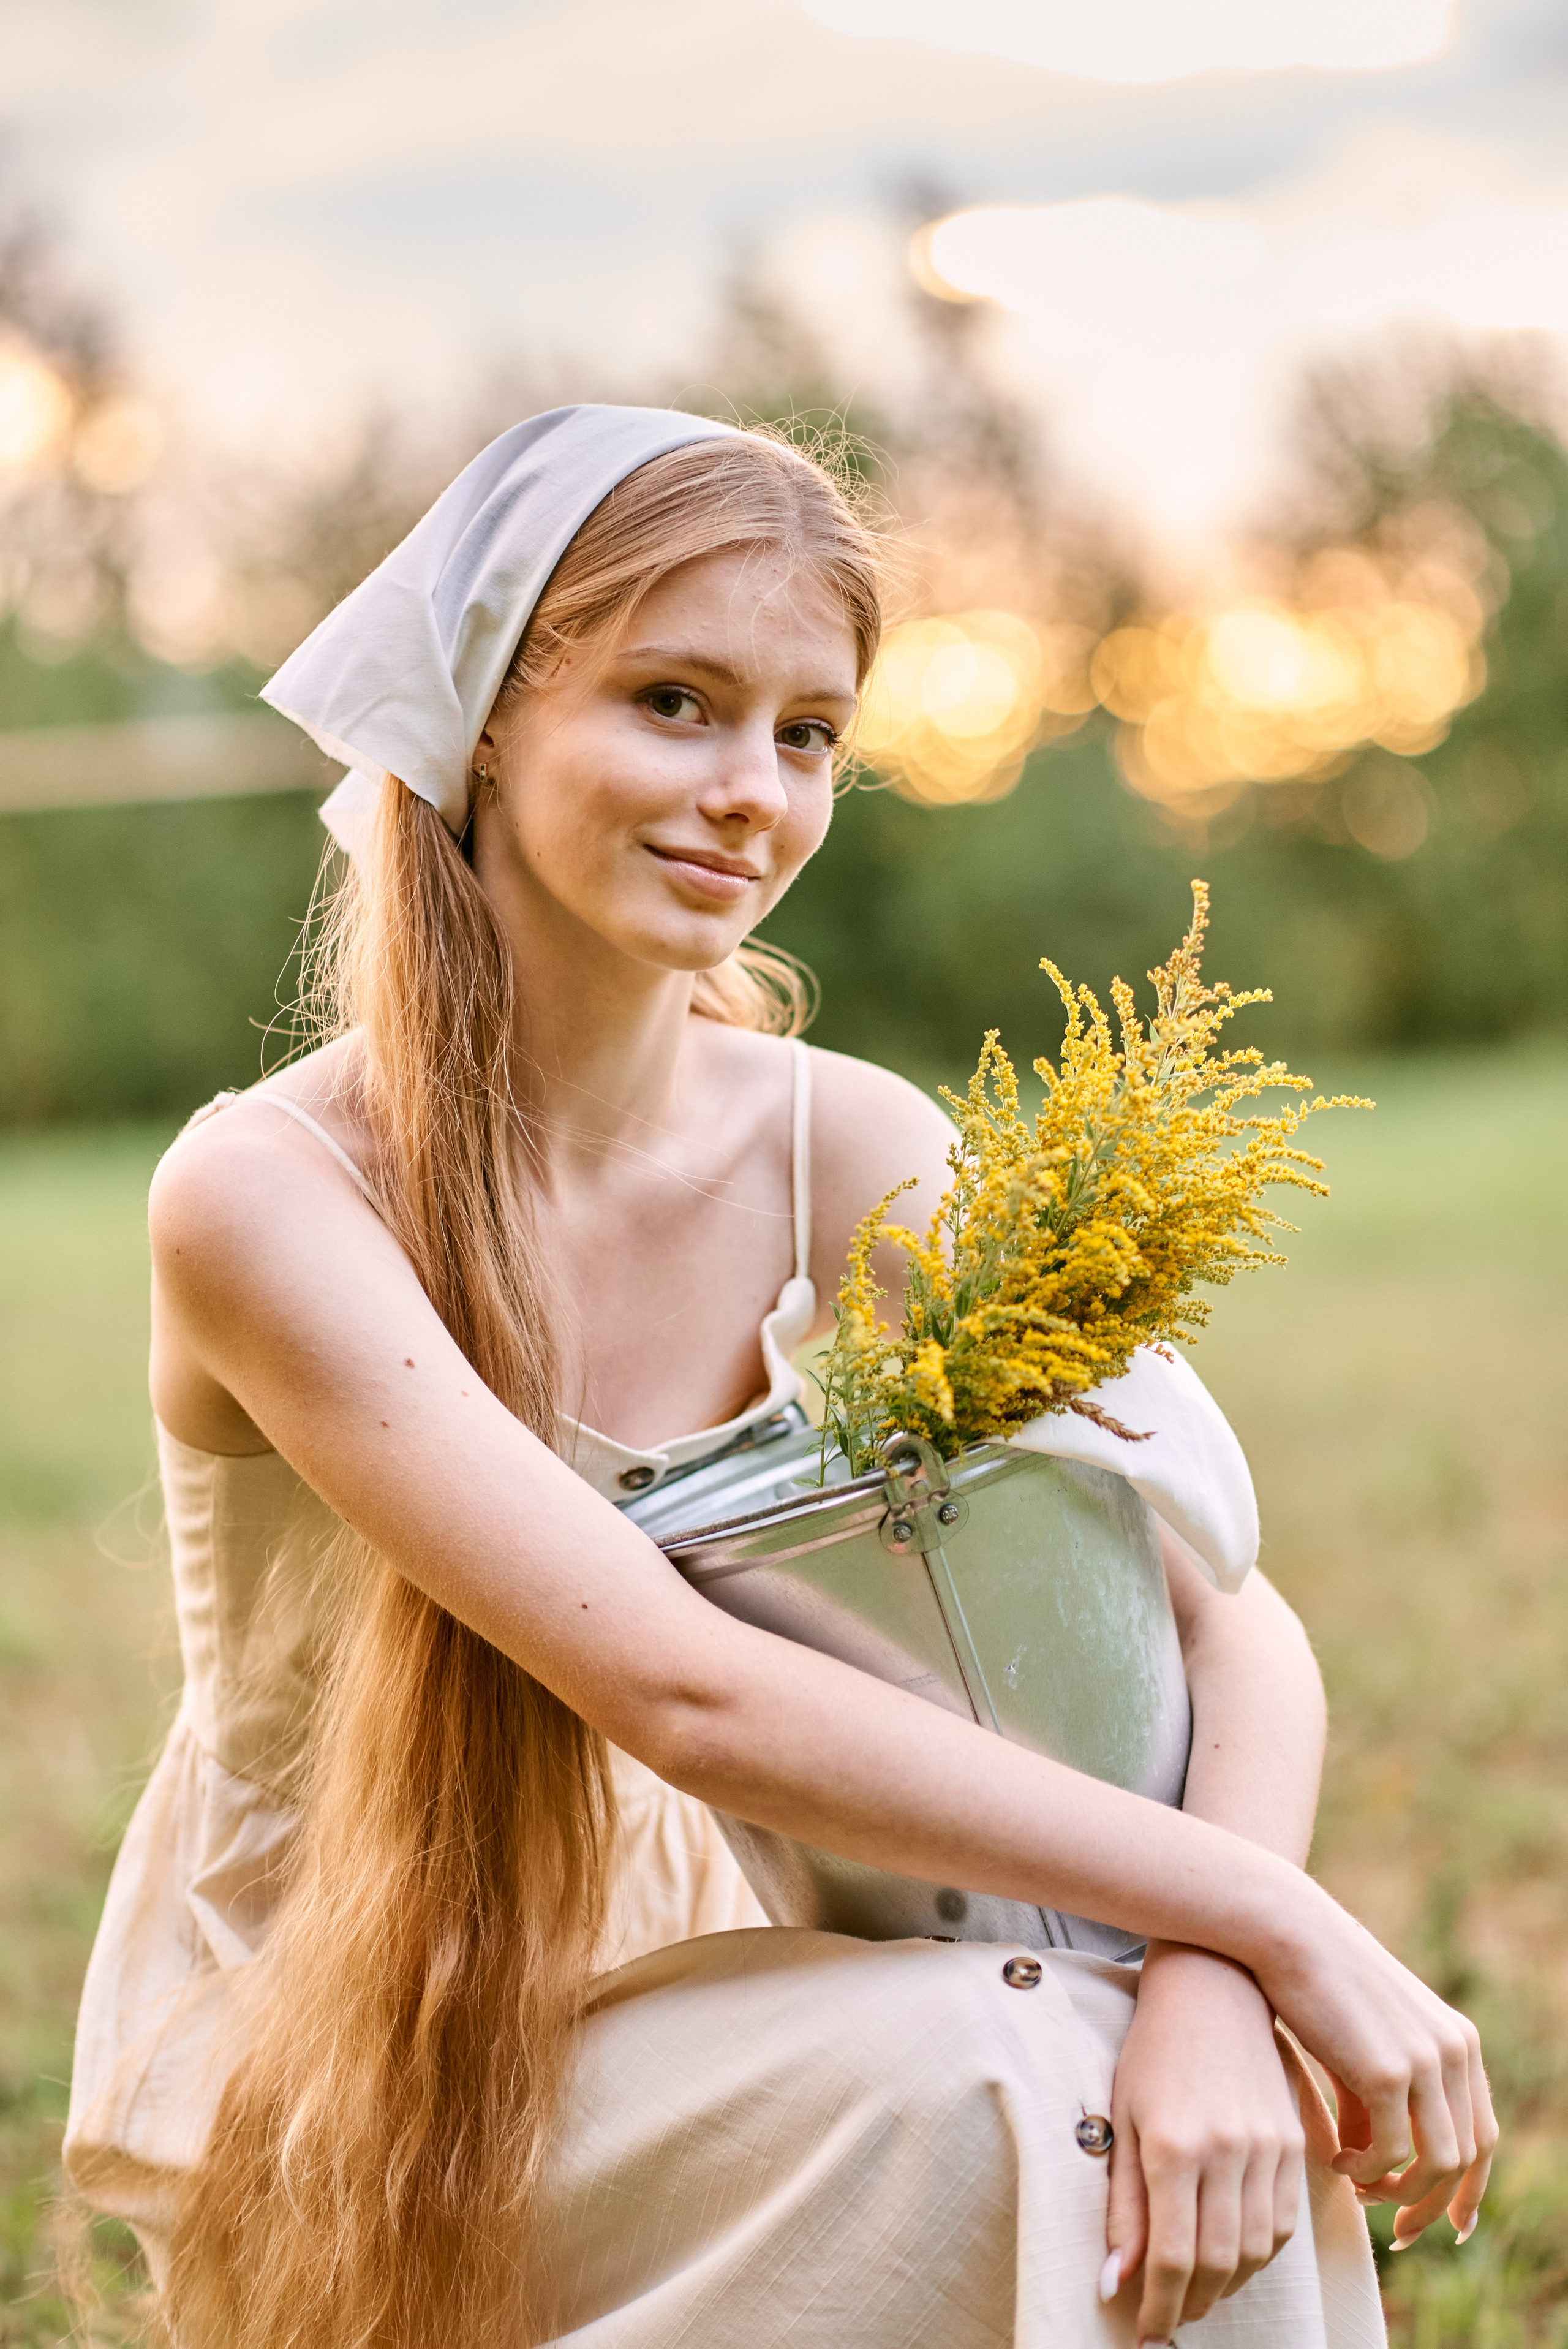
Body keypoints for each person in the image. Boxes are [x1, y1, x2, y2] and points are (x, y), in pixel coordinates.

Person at [63, 406, 1492, 2349]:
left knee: (1165, 2081)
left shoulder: (847, 1149)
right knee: (1027, 2076)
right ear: (485, 717)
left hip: (742, 1981)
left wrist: (1218, 1979)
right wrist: (1280, 1919)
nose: (753, 790)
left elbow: (1220, 1614)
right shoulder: (272, 1196)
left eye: (808, 732)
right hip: (366, 2043)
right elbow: (684, 1690)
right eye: (675, 701)